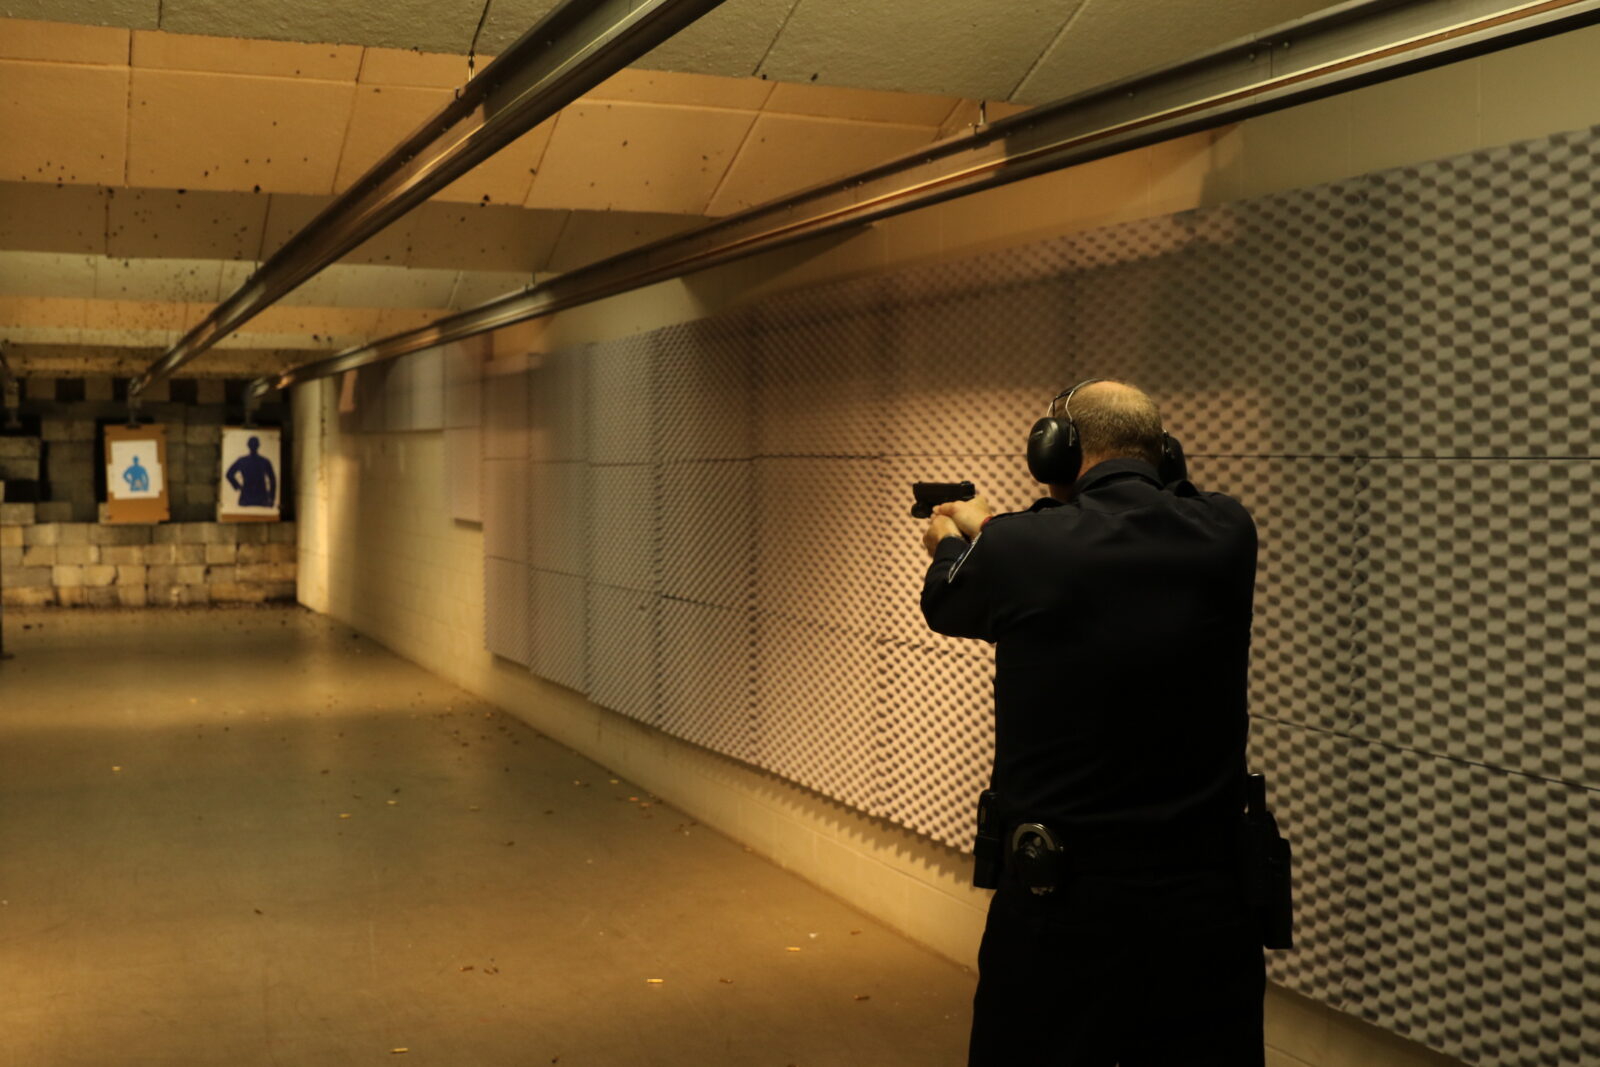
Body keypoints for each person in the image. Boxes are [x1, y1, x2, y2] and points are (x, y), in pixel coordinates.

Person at [920, 379, 1262, 1066]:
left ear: (1054, 452)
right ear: (1164, 454)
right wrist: (1001, 530)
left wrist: (955, 541)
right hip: (1206, 909)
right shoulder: (1228, 532)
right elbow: (1101, 545)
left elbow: (946, 602)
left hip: (1062, 911)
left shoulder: (1018, 548)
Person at [226, 435, 277, 509]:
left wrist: (238, 486)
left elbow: (229, 474)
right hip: (261, 497)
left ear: (248, 445)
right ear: (258, 445)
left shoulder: (242, 461)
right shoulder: (264, 461)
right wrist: (271, 498)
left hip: (247, 496)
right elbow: (272, 480)